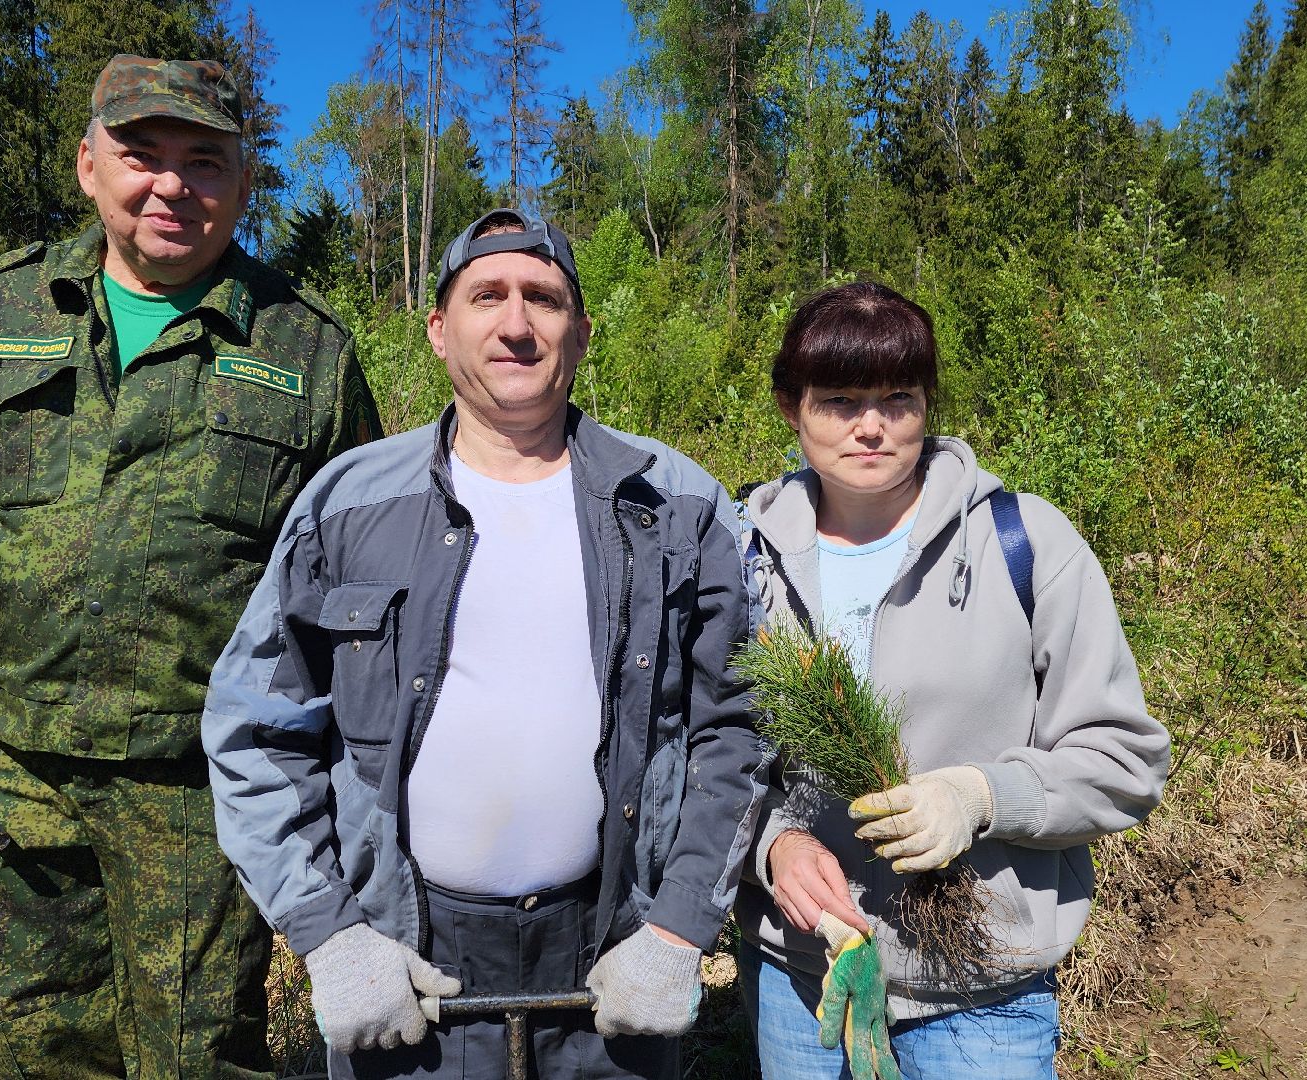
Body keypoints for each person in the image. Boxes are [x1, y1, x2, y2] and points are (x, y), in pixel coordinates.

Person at [0, 55, 381, 1079]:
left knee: (199, 1056)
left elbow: (352, 587)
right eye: (141, 155)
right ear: (88, 166)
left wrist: (346, 777)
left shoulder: (307, 349)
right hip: (17, 767)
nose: (171, 185)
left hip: (200, 785)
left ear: (243, 183)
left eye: (204, 161)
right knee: (41, 1046)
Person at [201, 207, 767, 1079]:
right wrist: (331, 936)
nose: (516, 323)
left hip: (613, 964)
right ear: (438, 329)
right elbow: (254, 729)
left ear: (581, 331)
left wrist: (679, 930)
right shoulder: (347, 506)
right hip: (405, 972)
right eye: (487, 296)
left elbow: (739, 725)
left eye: (543, 298)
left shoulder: (676, 504)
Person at [734, 282, 1169, 1078]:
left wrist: (981, 797)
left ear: (928, 403)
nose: (871, 426)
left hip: (982, 986)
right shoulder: (741, 559)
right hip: (804, 977)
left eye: (897, 398)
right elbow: (706, 755)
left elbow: (1125, 761)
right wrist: (774, 846)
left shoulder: (1026, 543)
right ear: (791, 408)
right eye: (840, 401)